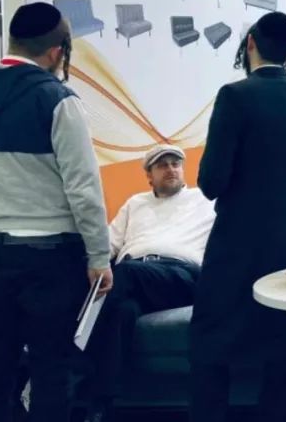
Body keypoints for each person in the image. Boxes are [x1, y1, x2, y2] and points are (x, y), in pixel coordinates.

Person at [188, 13, 286, 422]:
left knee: (211, 342)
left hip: (237, 238)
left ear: (250, 43)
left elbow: (212, 181)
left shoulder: (234, 96)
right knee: (281, 343)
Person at [0, 2, 113, 421]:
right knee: (51, 368)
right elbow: (83, 188)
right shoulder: (57, 99)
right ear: (56, 52)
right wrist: (99, 257)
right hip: (49, 258)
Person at [82, 144, 216, 422]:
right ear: (149, 175)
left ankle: (73, 355)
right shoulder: (135, 203)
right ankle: (100, 405)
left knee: (123, 274)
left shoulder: (204, 199)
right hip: (136, 279)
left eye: (175, 164)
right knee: (122, 311)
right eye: (162, 165)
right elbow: (109, 244)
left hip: (182, 275)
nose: (171, 169)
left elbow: (246, 212)